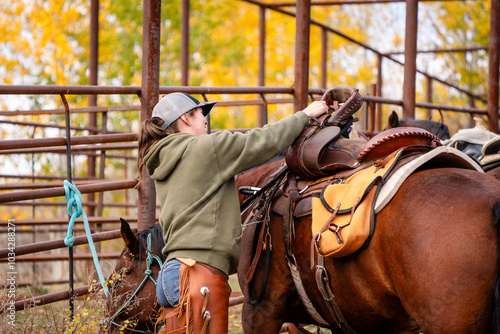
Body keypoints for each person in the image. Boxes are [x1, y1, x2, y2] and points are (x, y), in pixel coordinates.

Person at [137, 92, 328, 333]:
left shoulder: (163, 158)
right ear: (185, 117)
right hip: (199, 276)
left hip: (172, 275)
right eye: (200, 113)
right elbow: (262, 141)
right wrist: (305, 116)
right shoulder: (205, 149)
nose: (205, 120)